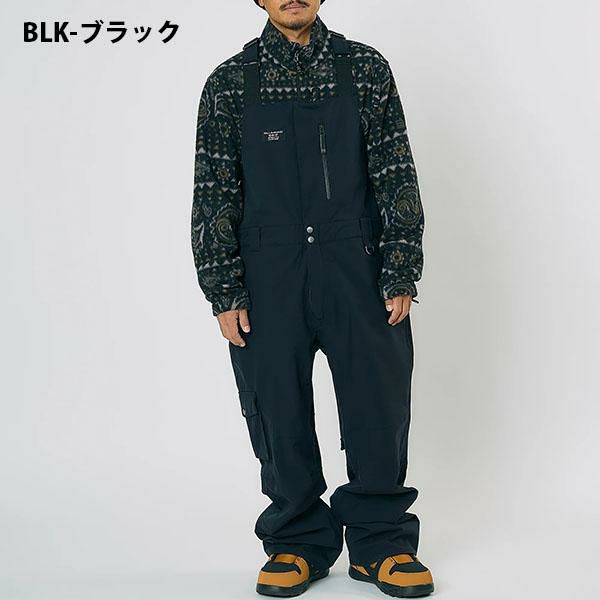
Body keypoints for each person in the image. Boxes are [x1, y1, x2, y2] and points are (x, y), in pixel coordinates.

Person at [191, 0, 433, 597]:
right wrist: (223, 288)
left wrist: (400, 268)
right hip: (266, 274)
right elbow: (214, 189)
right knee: (276, 408)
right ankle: (297, 540)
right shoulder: (229, 83)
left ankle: (381, 541)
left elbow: (395, 171)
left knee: (378, 404)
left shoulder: (365, 69)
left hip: (359, 265)